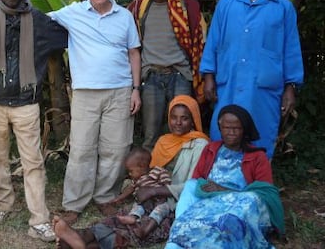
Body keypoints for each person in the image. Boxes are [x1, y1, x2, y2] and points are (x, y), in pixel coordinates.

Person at [0, 0, 68, 242]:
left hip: (27, 103)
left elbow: (66, 37)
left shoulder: (39, 21)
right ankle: (4, 205)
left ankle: (39, 219)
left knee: (33, 162)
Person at [48, 0, 142, 224]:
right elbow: (41, 19)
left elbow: (134, 53)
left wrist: (136, 90)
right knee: (81, 149)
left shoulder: (124, 16)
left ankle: (105, 197)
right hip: (86, 93)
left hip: (121, 91)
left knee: (116, 148)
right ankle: (74, 204)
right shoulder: (73, 13)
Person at [52, 95, 209, 248]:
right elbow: (147, 172)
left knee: (142, 228)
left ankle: (80, 242)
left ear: (193, 120)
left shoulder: (200, 145)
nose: (178, 123)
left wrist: (155, 191)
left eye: (184, 118)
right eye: (174, 117)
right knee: (121, 218)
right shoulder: (165, 141)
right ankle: (82, 237)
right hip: (149, 197)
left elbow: (194, 185)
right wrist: (141, 189)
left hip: (174, 203)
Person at [199, 0, 304, 158]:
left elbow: (291, 48)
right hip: (229, 83)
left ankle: (257, 183)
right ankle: (222, 179)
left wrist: (290, 87)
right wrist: (208, 75)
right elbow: (213, 42)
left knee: (262, 134)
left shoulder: (283, 7)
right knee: (223, 132)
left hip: (263, 87)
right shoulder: (227, 3)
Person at [166, 104, 285, 248]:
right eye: (227, 128)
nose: (231, 132)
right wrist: (208, 189)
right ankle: (183, 224)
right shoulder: (210, 149)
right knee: (191, 184)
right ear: (220, 128)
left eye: (236, 128)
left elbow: (266, 194)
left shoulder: (257, 156)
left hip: (238, 206)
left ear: (244, 130)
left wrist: (223, 190)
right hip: (209, 201)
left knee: (251, 198)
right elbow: (198, 180)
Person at [128, 0, 207, 150]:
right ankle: (149, 176)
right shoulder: (138, 8)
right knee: (151, 133)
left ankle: (182, 173)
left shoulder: (187, 7)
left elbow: (200, 40)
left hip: (180, 75)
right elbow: (128, 44)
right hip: (151, 77)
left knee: (184, 131)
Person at [111, 147, 172, 239]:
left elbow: (167, 186)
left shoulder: (158, 171)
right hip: (144, 202)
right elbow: (130, 189)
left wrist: (162, 197)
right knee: (137, 206)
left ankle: (146, 230)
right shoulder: (136, 179)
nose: (130, 174)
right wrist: (120, 198)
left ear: (142, 166)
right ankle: (132, 217)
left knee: (158, 212)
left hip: (161, 201)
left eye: (131, 171)